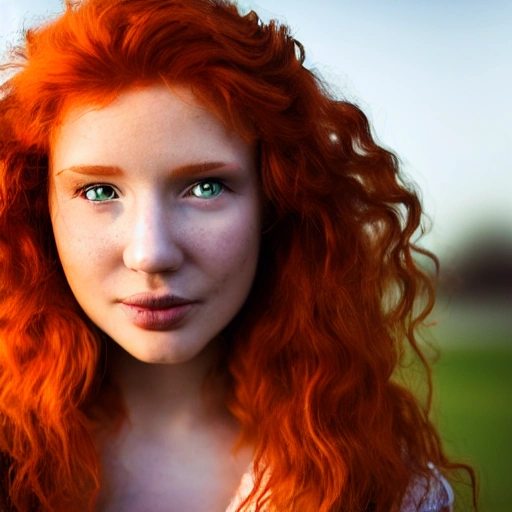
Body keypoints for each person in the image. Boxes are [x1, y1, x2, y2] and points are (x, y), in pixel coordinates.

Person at [0, 0, 476, 511]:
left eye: (205, 187)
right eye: (98, 192)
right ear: (34, 206)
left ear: (277, 201)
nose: (151, 253)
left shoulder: (383, 488)